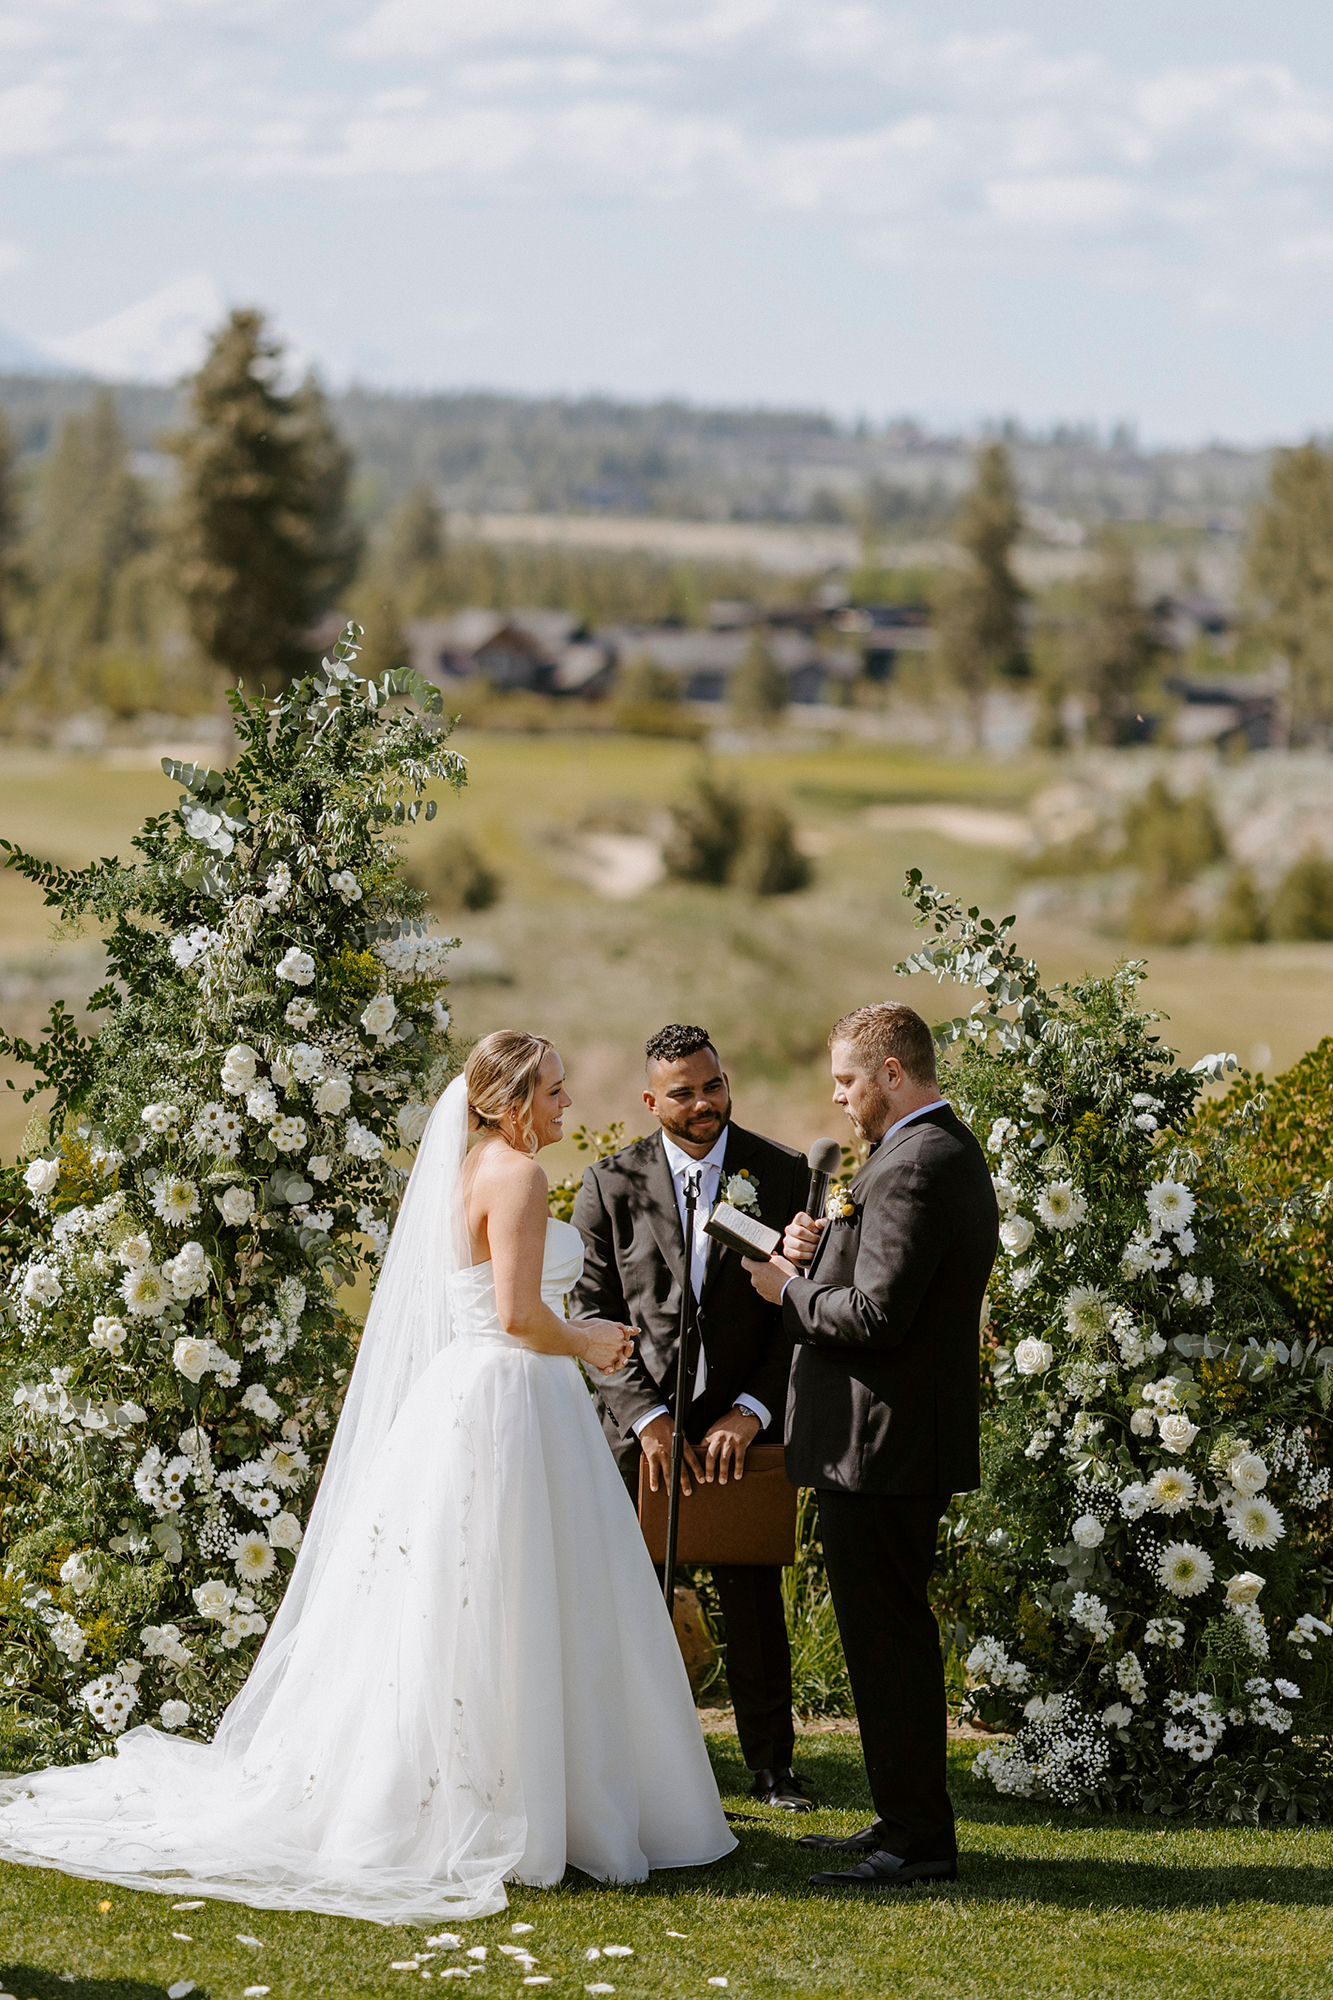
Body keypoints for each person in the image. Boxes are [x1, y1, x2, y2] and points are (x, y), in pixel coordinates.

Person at [0, 1032, 735, 1923]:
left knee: (463, 1596)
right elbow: (515, 1315)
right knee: (516, 1590)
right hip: (512, 1393)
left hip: (478, 1396)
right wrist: (594, 1342)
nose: (565, 1105)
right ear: (510, 1103)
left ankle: (489, 1788)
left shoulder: (470, 1168)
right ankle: (527, 1799)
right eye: (552, 1091)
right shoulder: (519, 1176)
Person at [744, 1002, 997, 1889]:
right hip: (881, 1442)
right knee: (884, 1639)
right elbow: (879, 1282)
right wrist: (816, 1252)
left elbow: (880, 1317)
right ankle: (901, 1821)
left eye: (849, 1081)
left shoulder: (918, 1163)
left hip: (881, 1445)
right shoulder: (921, 1152)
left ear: (893, 1071)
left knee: (888, 1643)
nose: (841, 1099)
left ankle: (917, 1842)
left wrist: (784, 1289)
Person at [572, 1023, 812, 1811]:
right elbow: (590, 1309)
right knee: (630, 1604)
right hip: (640, 1435)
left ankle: (774, 1771)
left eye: (712, 1085)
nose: (704, 1102)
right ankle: (631, 1768)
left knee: (752, 1607)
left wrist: (750, 1412)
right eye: (683, 1092)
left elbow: (797, 1314)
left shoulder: (781, 1174)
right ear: (650, 1100)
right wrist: (646, 1418)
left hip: (736, 1432)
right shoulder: (610, 1184)